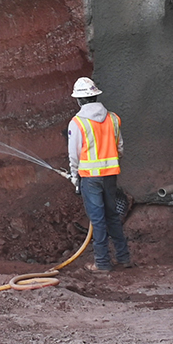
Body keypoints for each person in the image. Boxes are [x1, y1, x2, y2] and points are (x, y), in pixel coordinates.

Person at [67, 76, 132, 272]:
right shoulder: (113, 118)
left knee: (97, 220)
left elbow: (74, 153)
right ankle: (124, 258)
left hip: (90, 178)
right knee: (112, 216)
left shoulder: (77, 122)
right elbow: (120, 147)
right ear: (95, 96)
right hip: (110, 176)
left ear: (79, 100)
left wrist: (74, 175)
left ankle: (102, 263)